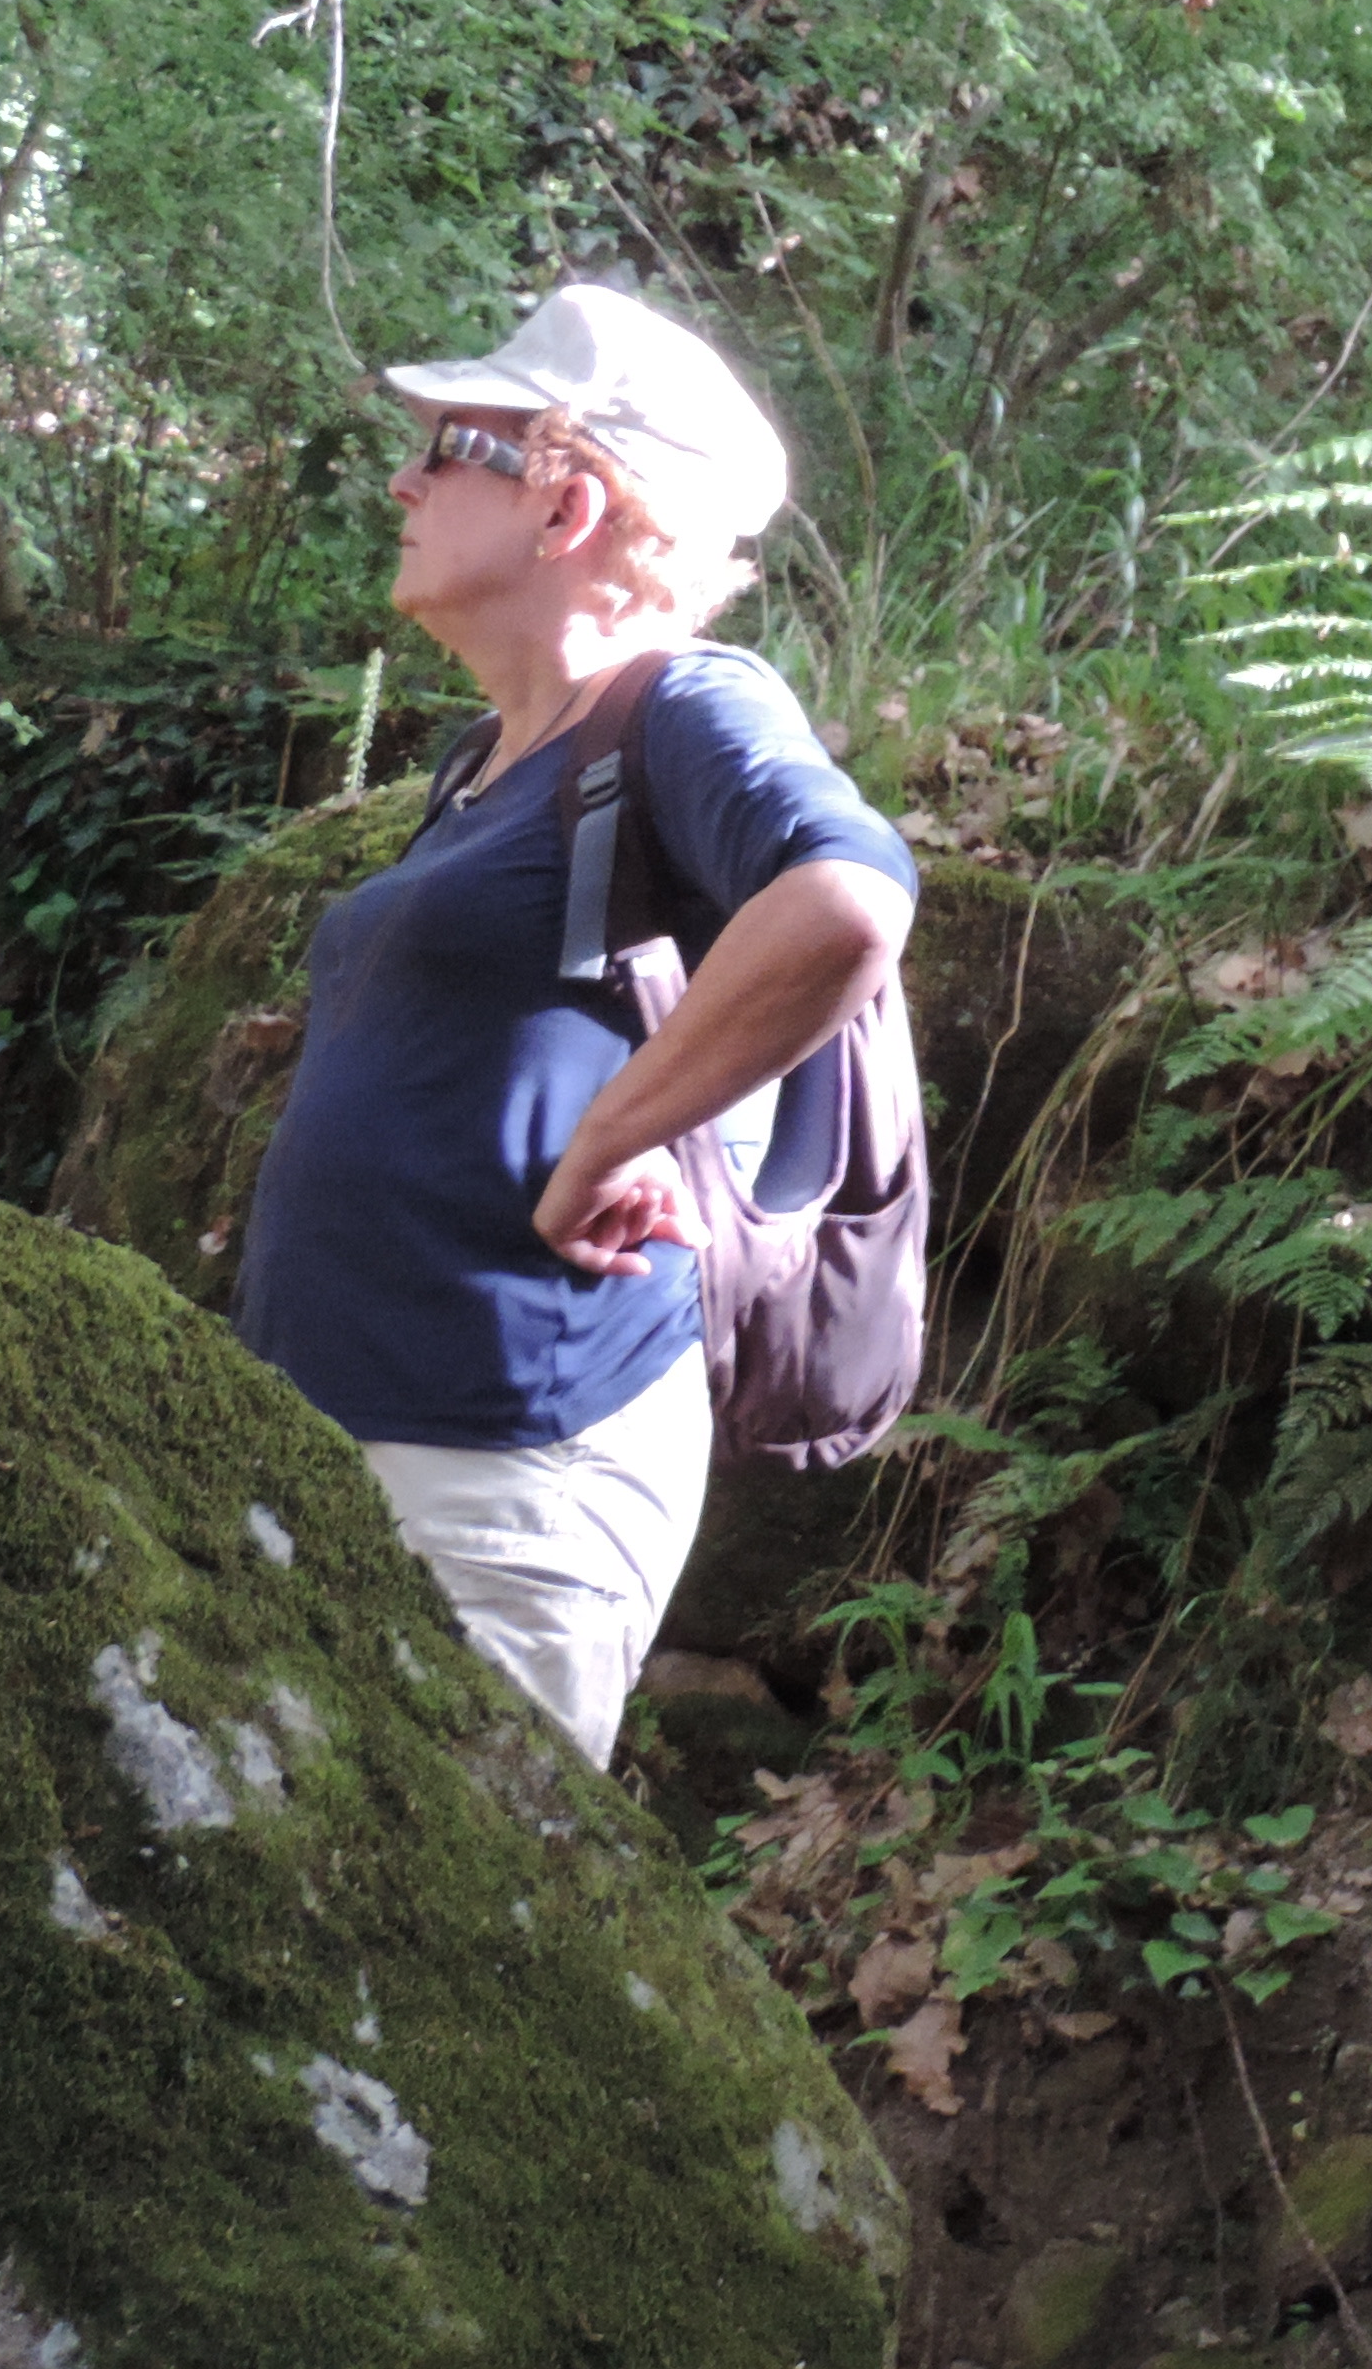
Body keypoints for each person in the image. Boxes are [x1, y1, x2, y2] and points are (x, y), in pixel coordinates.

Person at [235, 283, 916, 1765]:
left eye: (451, 447)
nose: (406, 480)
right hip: (343, 1441)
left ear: (571, 504)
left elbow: (849, 902)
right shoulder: (482, 763)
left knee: (429, 1958)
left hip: (508, 1466)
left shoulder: (685, 707)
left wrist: (618, 1132)